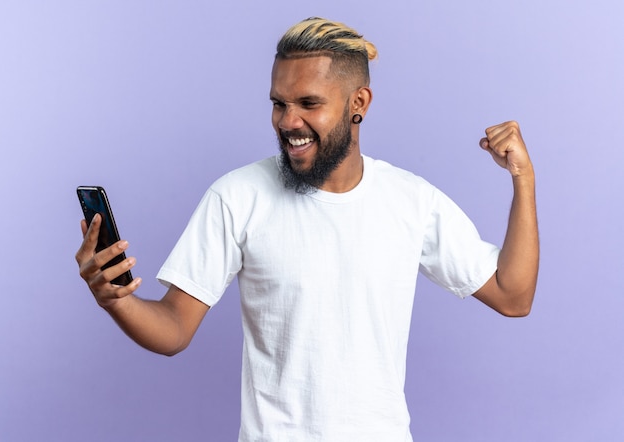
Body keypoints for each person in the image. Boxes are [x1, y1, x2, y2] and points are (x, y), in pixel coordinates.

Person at [76, 17, 538, 442]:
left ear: (359, 103)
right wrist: (115, 299)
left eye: (308, 104)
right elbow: (174, 328)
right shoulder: (237, 197)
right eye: (279, 104)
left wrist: (523, 179)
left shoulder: (411, 200)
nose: (287, 122)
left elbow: (511, 295)